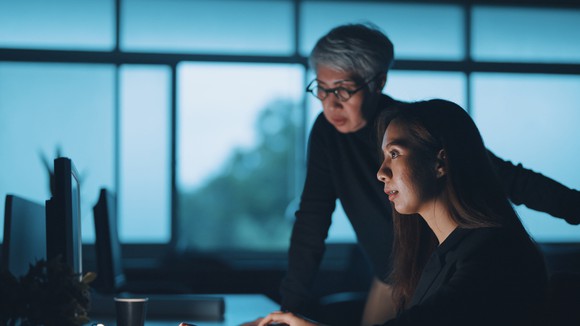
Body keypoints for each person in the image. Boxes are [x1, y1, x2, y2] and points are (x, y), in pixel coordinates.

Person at [257, 23, 579, 326]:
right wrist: (289, 310)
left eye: (342, 91)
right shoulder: (328, 135)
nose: (330, 106)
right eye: (322, 90)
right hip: (393, 274)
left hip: (445, 262)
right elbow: (312, 221)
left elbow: (506, 178)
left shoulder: (416, 128)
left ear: (377, 82)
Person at [257, 99, 549, 326]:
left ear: (440, 163)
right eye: (383, 157)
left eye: (394, 154)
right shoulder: (442, 254)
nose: (381, 173)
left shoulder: (494, 255)